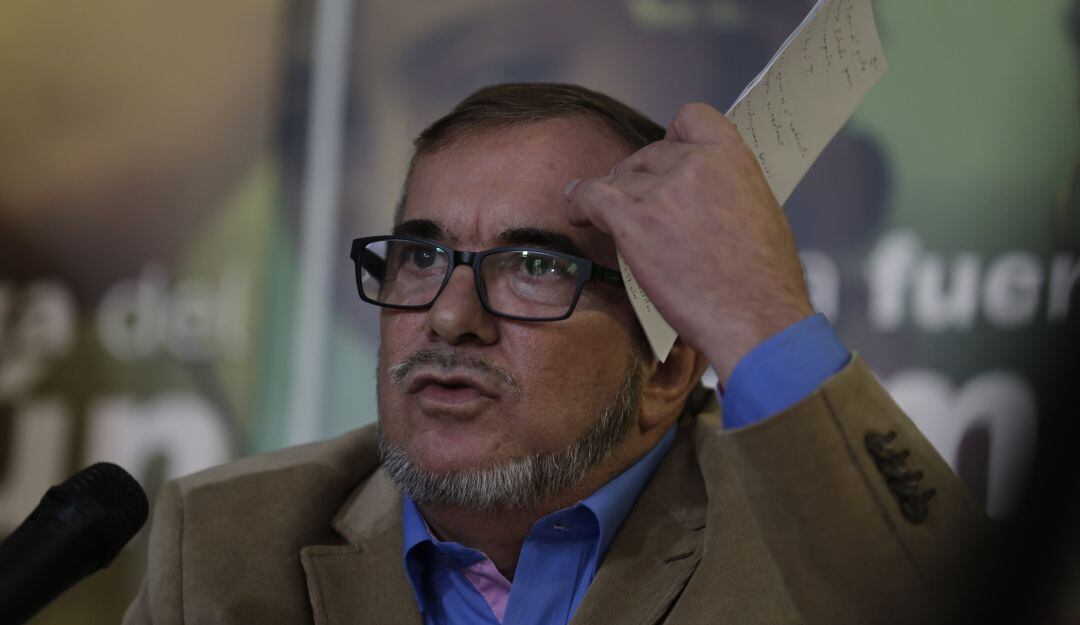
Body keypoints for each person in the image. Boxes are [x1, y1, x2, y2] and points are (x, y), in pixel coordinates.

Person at [123, 83, 990, 625]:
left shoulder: (800, 541)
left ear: (668, 367)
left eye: (535, 266)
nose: (450, 316)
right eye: (420, 256)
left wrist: (761, 316)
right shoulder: (227, 544)